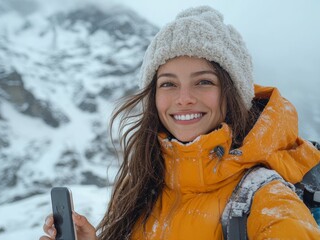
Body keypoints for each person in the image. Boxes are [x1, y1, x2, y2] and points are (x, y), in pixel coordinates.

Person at [40, 6, 320, 240]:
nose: (184, 98)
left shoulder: (269, 203)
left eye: (203, 81)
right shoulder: (146, 184)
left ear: (233, 93)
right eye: (168, 84)